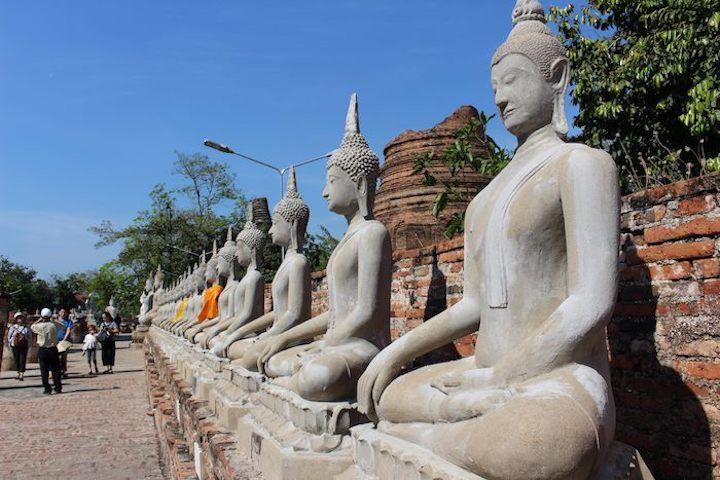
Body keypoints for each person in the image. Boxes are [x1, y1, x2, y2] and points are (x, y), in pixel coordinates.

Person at [31, 308, 62, 394]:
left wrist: (38, 320)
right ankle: (58, 387)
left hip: (43, 349)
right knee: (56, 369)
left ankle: (47, 388)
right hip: (53, 349)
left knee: (44, 370)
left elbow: (32, 326)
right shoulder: (54, 325)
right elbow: (63, 326)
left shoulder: (39, 326)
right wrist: (54, 320)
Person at [7, 312, 30, 381]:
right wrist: (10, 343)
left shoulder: (26, 327)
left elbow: (29, 336)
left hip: (24, 345)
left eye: (21, 317)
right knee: (16, 359)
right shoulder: (13, 327)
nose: (20, 319)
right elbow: (9, 336)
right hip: (15, 345)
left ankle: (21, 374)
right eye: (18, 318)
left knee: (22, 359)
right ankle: (18, 372)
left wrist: (26, 340)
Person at [55, 309, 74, 378]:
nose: (63, 313)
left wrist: (64, 339)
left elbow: (68, 330)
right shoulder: (55, 321)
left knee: (63, 357)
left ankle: (63, 371)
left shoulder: (69, 322)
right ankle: (56, 371)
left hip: (64, 341)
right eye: (61, 312)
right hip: (55, 341)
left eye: (64, 312)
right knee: (56, 357)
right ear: (59, 313)